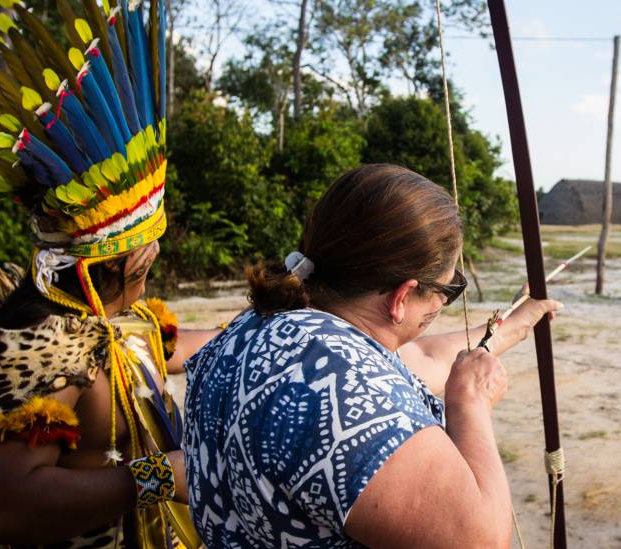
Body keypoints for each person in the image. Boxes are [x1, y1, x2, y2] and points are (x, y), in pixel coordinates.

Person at [0, 0, 216, 546]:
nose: (156, 255)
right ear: (123, 257)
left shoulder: (113, 322)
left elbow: (164, 348)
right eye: (150, 246)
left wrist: (271, 318)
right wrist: (158, 476)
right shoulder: (45, 350)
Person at [184, 164, 561, 547]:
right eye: (448, 290)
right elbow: (481, 542)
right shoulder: (345, 396)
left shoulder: (264, 327)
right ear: (401, 297)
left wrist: (513, 325)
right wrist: (471, 404)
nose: (443, 304)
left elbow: (422, 359)